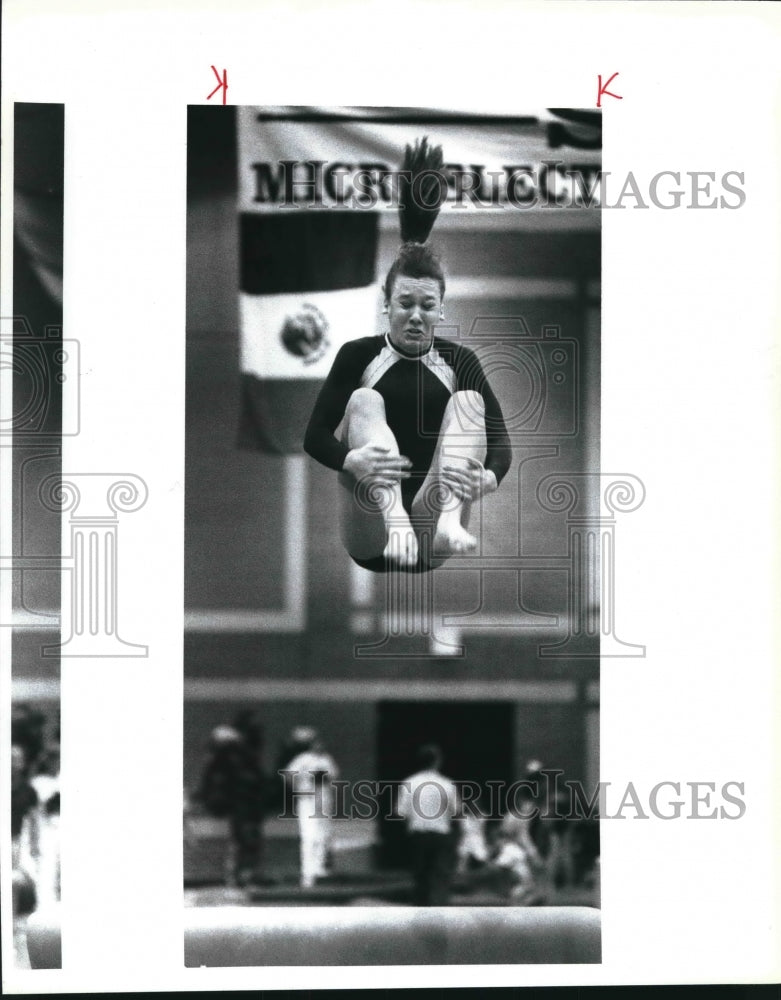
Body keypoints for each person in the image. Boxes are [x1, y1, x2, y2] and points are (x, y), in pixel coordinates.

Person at [304, 139, 511, 572]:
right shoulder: (358, 355)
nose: (415, 315)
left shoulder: (460, 361)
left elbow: (500, 442)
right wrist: (348, 459)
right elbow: (315, 435)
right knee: (364, 400)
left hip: (433, 517)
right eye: (405, 303)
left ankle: (449, 522)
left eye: (427, 305)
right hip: (372, 524)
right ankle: (395, 517)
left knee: (469, 402)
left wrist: (488, 478)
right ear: (387, 303)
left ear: (442, 308)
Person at [396, 744, 460, 905]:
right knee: (440, 876)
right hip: (440, 835)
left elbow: (401, 812)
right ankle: (439, 913)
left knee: (420, 878)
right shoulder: (447, 784)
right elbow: (457, 811)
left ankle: (421, 915)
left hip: (418, 835)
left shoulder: (409, 783)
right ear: (437, 761)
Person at [283, 728, 340, 889]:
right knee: (310, 836)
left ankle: (319, 868)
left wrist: (323, 777)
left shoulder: (327, 759)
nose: (319, 745)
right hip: (307, 800)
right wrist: (300, 787)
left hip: (323, 800)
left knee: (323, 834)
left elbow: (333, 776)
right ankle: (307, 873)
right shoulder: (302, 759)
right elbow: (288, 775)